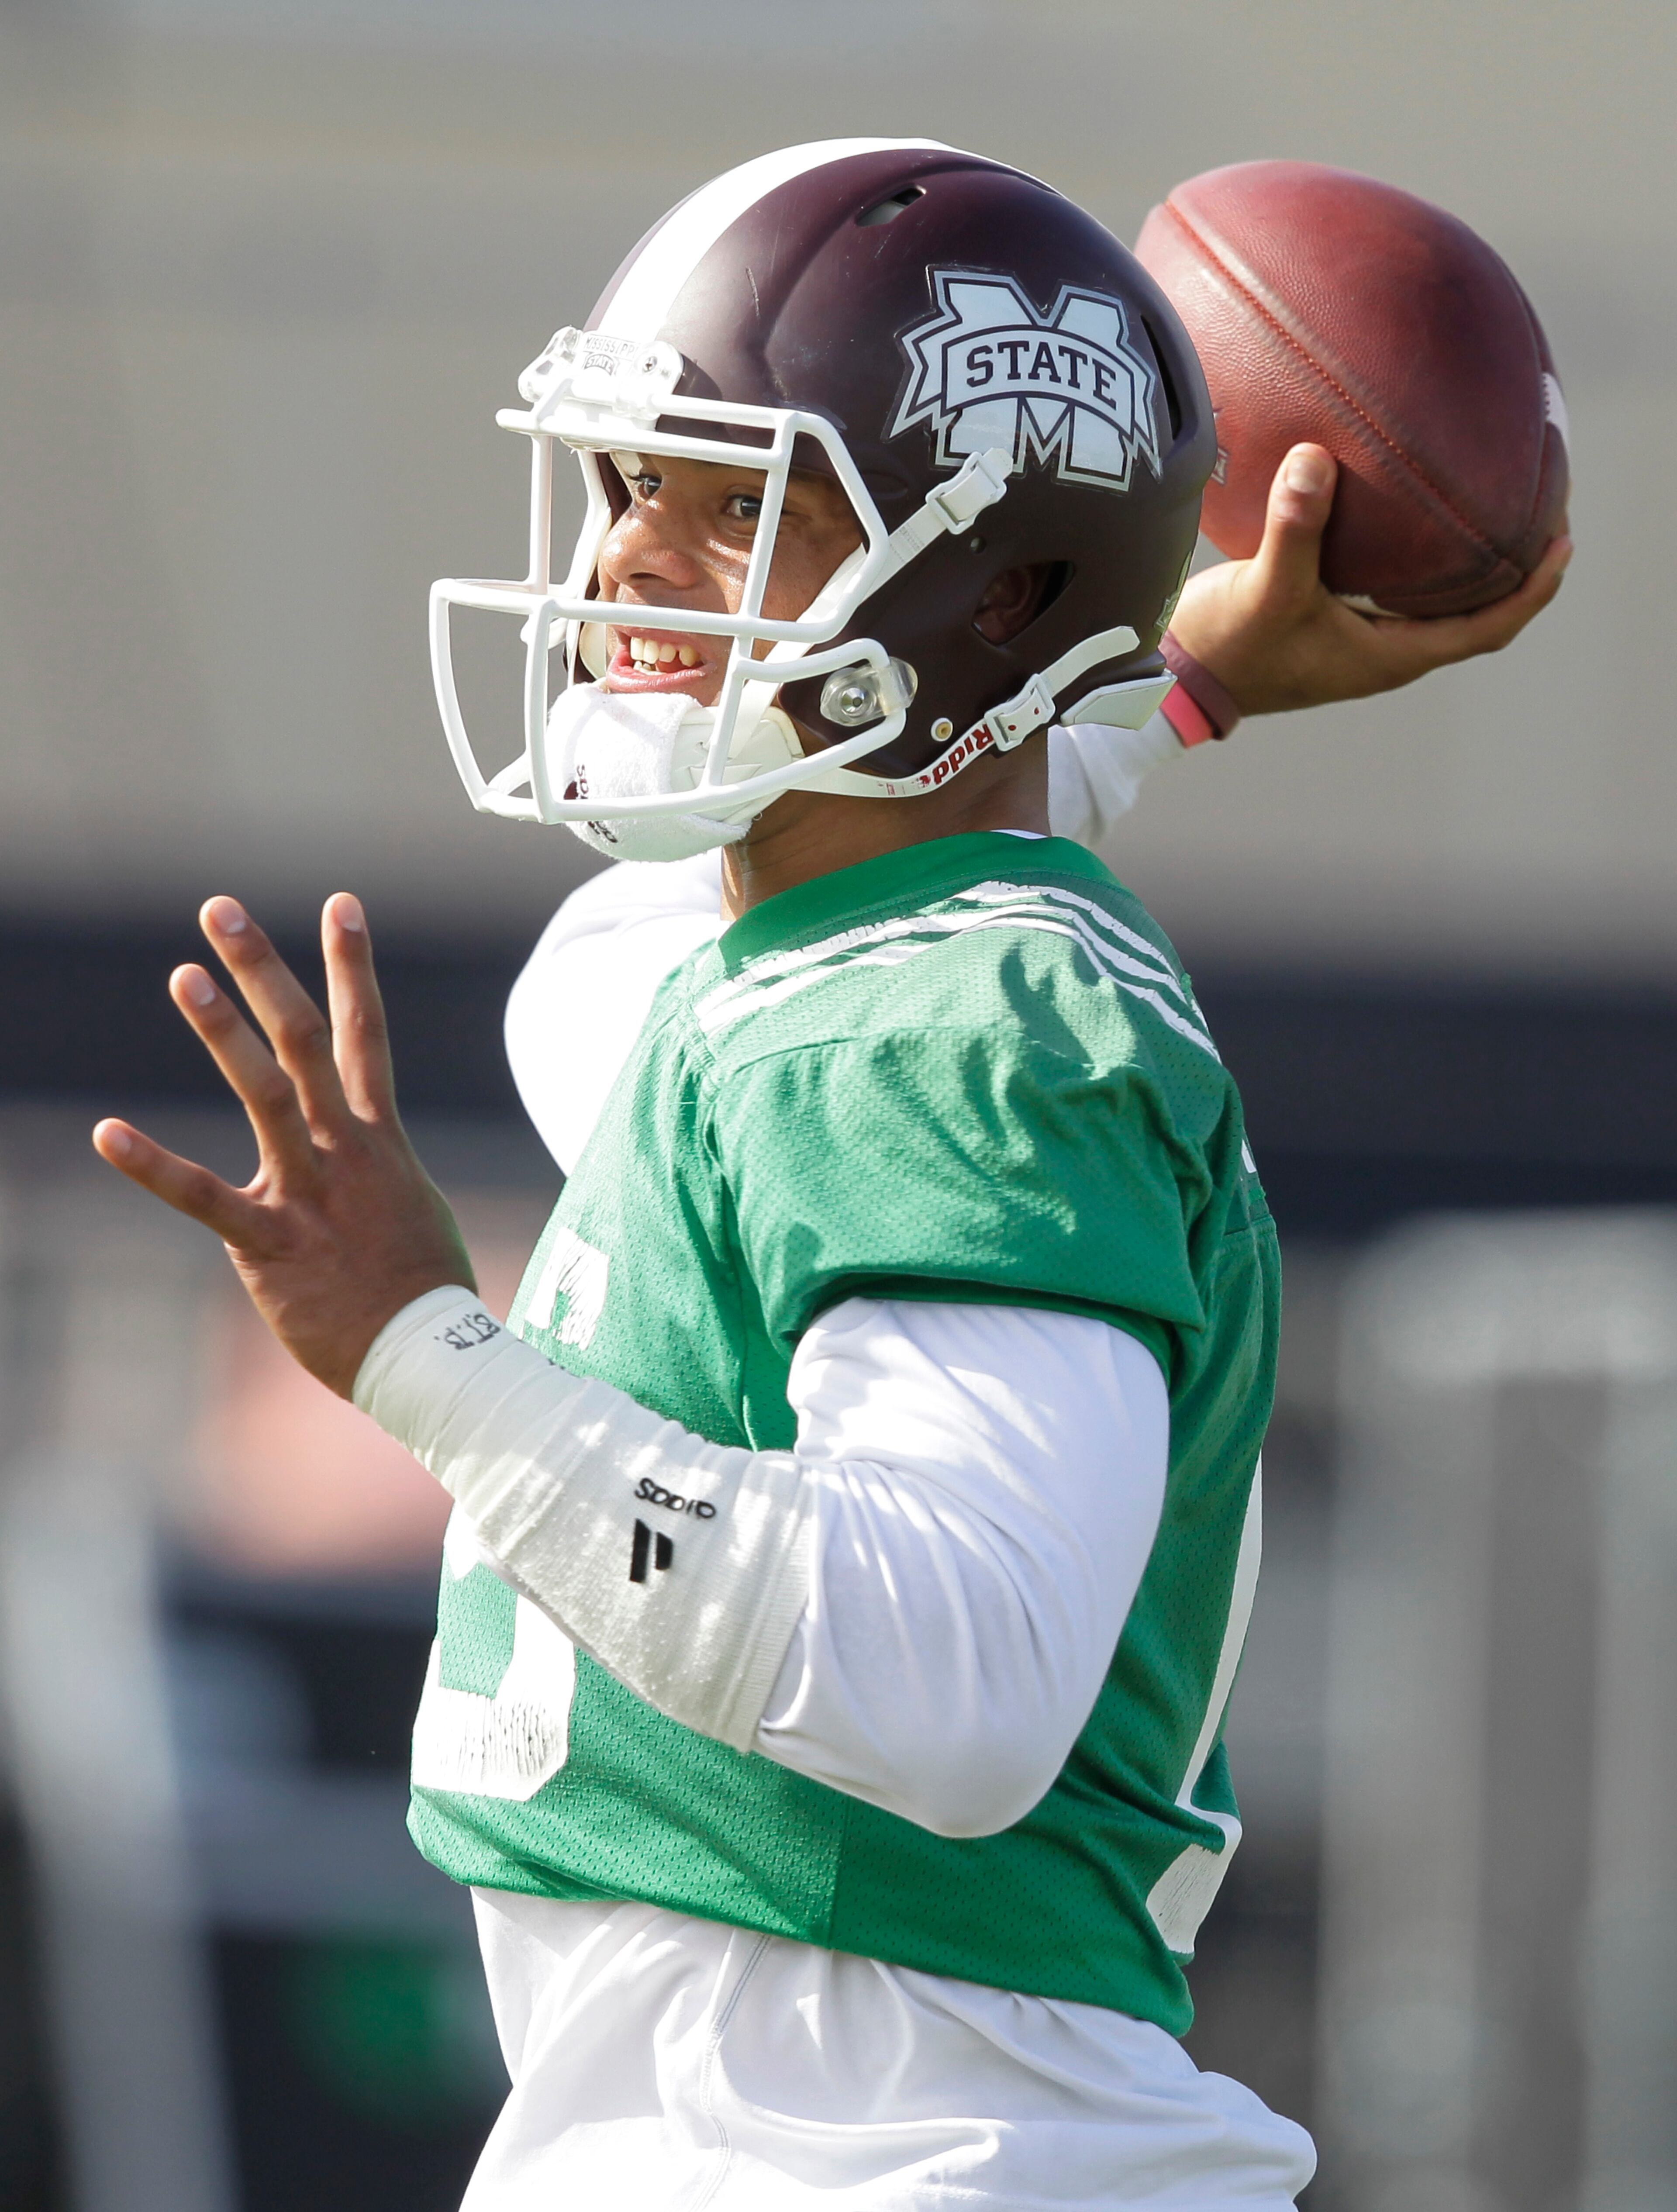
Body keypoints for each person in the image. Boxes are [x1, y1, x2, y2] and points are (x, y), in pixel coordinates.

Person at [95, 139, 1567, 2208]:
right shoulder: (801, 970)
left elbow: (953, 1680)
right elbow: (614, 984)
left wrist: (432, 1358)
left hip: (908, 2160)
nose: (625, 567)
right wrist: (1176, 680)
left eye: (737, 509)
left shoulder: (971, 1030)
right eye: (629, 488)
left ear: (995, 588)